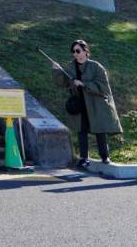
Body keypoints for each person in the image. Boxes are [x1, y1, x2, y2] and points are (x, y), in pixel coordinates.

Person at [50, 39, 122, 167]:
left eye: (78, 51)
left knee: (100, 129)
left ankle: (105, 157)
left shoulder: (96, 67)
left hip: (96, 103)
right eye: (73, 51)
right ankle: (84, 158)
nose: (75, 54)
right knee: (81, 130)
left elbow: (103, 86)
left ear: (85, 51)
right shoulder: (70, 67)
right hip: (79, 103)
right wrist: (56, 70)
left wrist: (84, 84)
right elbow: (62, 83)